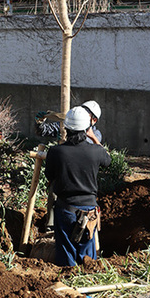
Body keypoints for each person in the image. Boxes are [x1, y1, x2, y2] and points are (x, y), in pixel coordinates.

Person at [46, 106, 110, 267]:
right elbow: (107, 160)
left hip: (65, 208)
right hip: (89, 211)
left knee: (66, 255)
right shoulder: (96, 151)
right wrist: (94, 138)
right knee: (87, 259)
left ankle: (67, 281)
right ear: (87, 129)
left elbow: (50, 176)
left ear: (66, 129)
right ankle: (87, 282)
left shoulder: (56, 152)